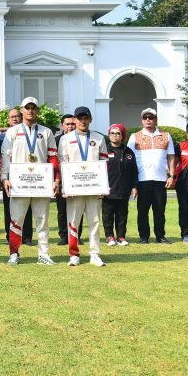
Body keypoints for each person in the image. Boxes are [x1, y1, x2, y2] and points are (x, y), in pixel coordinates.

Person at [0, 96, 59, 266]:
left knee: (42, 220)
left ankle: (44, 254)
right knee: (16, 220)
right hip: (19, 183)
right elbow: (6, 156)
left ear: (38, 110)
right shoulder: (12, 132)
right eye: (27, 108)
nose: (30, 111)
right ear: (22, 110)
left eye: (33, 108)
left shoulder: (46, 132)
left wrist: (56, 179)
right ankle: (14, 253)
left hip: (41, 183)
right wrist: (5, 178)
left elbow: (53, 157)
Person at [57, 107, 108, 266]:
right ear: (74, 120)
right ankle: (74, 254)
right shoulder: (65, 139)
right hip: (74, 189)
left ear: (90, 119)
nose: (83, 121)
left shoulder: (99, 138)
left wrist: (103, 185)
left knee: (94, 221)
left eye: (86, 118)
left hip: (94, 187)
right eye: (80, 118)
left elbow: (104, 163)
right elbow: (62, 164)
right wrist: (65, 187)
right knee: (73, 221)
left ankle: (95, 254)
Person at [128, 108, 176, 244]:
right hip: (142, 180)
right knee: (142, 211)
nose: (148, 120)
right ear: (142, 120)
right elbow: (130, 159)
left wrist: (171, 176)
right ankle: (144, 237)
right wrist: (133, 183)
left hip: (160, 179)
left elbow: (171, 157)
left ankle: (160, 236)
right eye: (145, 117)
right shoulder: (134, 136)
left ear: (156, 119)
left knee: (159, 210)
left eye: (151, 117)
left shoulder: (166, 136)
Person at [0, 108, 33, 245]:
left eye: (17, 116)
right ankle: (10, 236)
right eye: (11, 117)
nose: (14, 119)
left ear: (22, 116)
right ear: (8, 120)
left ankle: (27, 237)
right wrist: (3, 177)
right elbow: (2, 158)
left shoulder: (32, 133)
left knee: (28, 208)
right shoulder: (3, 136)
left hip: (29, 176)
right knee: (9, 209)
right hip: (11, 177)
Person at [103, 124, 138, 246]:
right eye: (112, 133)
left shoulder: (128, 152)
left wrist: (134, 186)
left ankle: (121, 237)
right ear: (109, 135)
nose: (115, 135)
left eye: (118, 133)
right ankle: (109, 236)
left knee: (122, 215)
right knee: (108, 215)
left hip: (124, 189)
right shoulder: (104, 151)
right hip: (108, 189)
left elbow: (134, 170)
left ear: (122, 136)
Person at [55, 114, 81, 245]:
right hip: (61, 179)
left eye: (72, 124)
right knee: (62, 209)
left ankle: (77, 235)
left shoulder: (81, 139)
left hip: (78, 179)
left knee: (77, 208)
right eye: (68, 124)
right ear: (62, 126)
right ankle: (64, 236)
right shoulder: (56, 140)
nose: (70, 126)